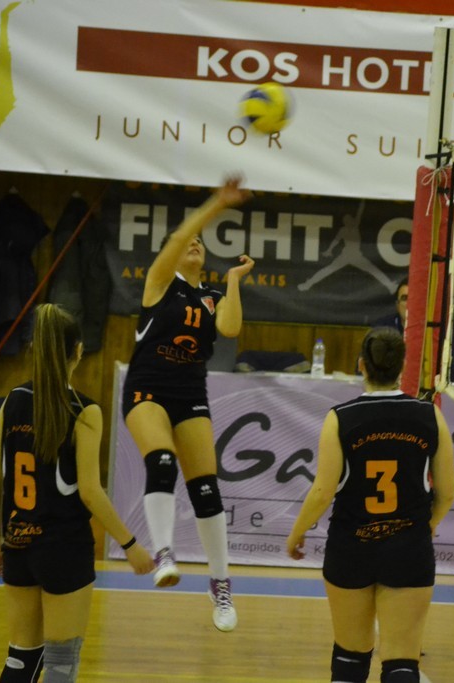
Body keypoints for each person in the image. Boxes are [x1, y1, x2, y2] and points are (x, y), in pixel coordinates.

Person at [0, 303, 154, 683]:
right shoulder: (84, 411)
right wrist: (130, 545)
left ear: (35, 348)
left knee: (20, 659)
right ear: (78, 351)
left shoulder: (11, 401)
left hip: (18, 544)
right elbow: (90, 492)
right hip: (64, 549)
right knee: (61, 664)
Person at [121, 175, 254, 632]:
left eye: (201, 242)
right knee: (162, 461)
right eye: (188, 242)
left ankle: (220, 584)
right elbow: (181, 235)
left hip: (190, 394)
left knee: (206, 489)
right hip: (147, 390)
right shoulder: (160, 284)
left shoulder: (212, 297)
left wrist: (233, 280)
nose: (195, 243)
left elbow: (231, 328)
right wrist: (217, 203)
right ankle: (164, 553)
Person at [287, 327, 454, 683]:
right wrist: (428, 525)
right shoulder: (430, 416)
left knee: (349, 656)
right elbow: (447, 493)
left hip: (352, 547)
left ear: (361, 365)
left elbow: (322, 492)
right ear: (403, 366)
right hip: (409, 548)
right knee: (402, 660)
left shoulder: (340, 418)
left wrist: (297, 532)